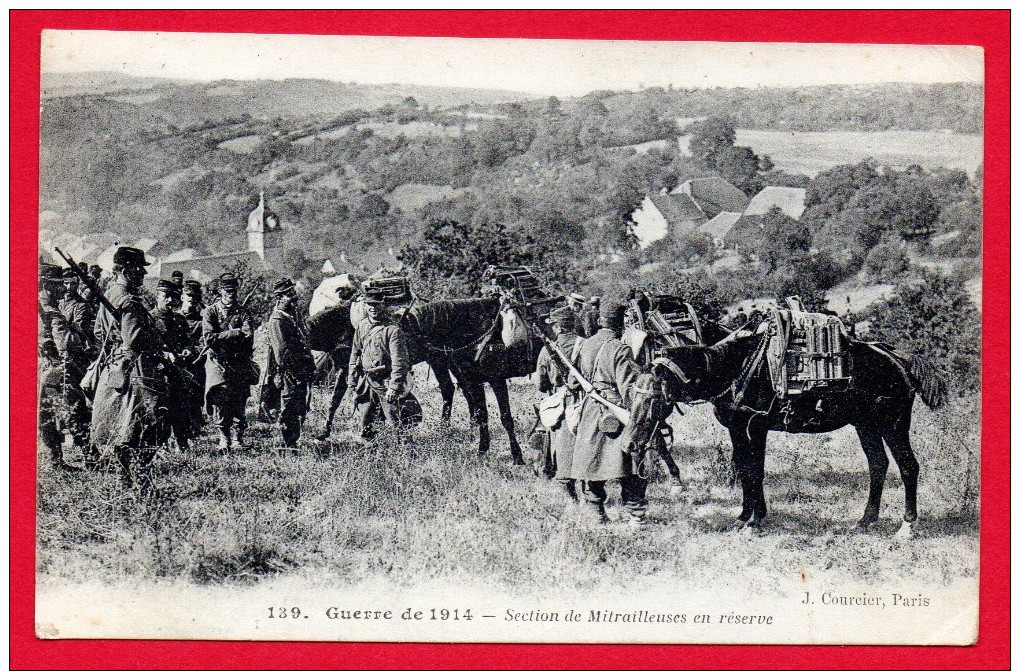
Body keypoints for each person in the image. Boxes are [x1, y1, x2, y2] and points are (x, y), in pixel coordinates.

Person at [89, 247, 171, 488]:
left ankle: (127, 479)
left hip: (114, 366)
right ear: (125, 270)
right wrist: (156, 335)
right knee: (154, 420)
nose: (142, 274)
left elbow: (97, 332)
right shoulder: (129, 300)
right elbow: (134, 338)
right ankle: (140, 476)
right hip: (138, 368)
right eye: (138, 269)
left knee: (123, 424)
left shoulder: (110, 295)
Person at [568, 298, 648, 526]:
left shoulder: (584, 344)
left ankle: (595, 513)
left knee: (592, 463)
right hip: (615, 412)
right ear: (621, 323)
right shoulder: (620, 348)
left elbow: (573, 382)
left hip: (590, 410)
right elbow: (627, 387)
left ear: (601, 320)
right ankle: (635, 515)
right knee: (631, 464)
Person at [347, 288, 419, 439]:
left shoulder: (393, 330)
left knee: (397, 425)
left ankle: (406, 456)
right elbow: (355, 354)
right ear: (365, 306)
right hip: (367, 383)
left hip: (386, 383)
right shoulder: (361, 326)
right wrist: (352, 382)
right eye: (369, 304)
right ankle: (371, 456)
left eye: (376, 304)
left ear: (383, 305)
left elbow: (400, 362)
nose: (373, 308)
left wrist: (393, 387)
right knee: (366, 425)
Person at [534, 306, 585, 501]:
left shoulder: (547, 351)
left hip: (562, 405)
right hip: (586, 402)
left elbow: (541, 384)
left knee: (562, 447)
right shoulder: (585, 345)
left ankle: (569, 492)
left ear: (557, 327)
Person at [202, 272, 255, 451]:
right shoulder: (210, 312)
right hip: (218, 362)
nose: (231, 294)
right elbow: (208, 338)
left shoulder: (243, 312)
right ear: (220, 291)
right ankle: (224, 438)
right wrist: (234, 333)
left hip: (239, 362)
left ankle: (238, 439)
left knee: (239, 400)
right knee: (221, 399)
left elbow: (248, 334)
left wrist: (225, 336)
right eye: (227, 291)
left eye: (233, 291)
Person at [38, 263, 81, 471]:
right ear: (46, 286)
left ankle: (56, 459)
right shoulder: (48, 311)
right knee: (50, 413)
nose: (63, 290)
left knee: (50, 413)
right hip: (48, 369)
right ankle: (55, 461)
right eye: (57, 286)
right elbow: (66, 342)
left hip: (46, 368)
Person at [267, 278, 316, 450]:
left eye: (292, 292)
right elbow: (281, 352)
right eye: (288, 294)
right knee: (289, 406)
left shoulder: (293, 314)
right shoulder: (277, 321)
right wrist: (296, 367)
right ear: (279, 298)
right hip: (289, 371)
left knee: (299, 405)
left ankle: (293, 439)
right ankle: (289, 443)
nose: (293, 296)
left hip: (300, 369)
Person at [151, 279, 196, 450]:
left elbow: (189, 341)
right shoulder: (150, 319)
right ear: (158, 296)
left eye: (172, 297)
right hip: (157, 372)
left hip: (178, 371)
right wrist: (164, 355)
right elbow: (146, 345)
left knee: (181, 407)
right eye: (165, 296)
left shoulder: (179, 319)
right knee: (160, 409)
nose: (169, 301)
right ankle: (160, 445)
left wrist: (188, 350)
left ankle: (182, 443)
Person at [57, 267, 95, 456]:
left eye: (73, 282)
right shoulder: (58, 303)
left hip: (75, 358)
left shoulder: (81, 306)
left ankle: (86, 446)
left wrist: (60, 324)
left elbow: (79, 330)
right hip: (58, 356)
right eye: (65, 283)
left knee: (75, 402)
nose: (69, 286)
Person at [317, 282, 357, 439]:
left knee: (337, 395)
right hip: (348, 359)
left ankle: (327, 425)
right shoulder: (349, 310)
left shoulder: (336, 312)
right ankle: (327, 425)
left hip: (346, 358)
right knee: (343, 393)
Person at [180, 279, 207, 439]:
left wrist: (193, 352)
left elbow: (204, 342)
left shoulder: (203, 321)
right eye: (188, 295)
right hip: (176, 362)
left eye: (194, 297)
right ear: (182, 297)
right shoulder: (174, 317)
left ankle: (195, 427)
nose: (191, 299)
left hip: (195, 364)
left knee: (196, 396)